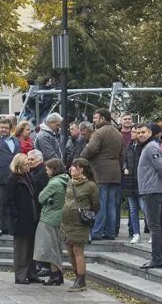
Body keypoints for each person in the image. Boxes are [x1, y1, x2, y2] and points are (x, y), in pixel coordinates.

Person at [81, 109, 124, 241]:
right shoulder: (118, 133)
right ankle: (110, 232)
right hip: (115, 172)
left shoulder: (99, 133)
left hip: (100, 172)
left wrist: (81, 157)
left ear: (103, 118)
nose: (94, 120)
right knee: (111, 204)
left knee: (100, 204)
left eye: (95, 117)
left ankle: (97, 232)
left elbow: (92, 149)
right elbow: (122, 154)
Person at [61, 158, 100, 291]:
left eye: (74, 167)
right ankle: (76, 275)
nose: (71, 169)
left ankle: (81, 280)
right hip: (67, 223)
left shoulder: (90, 185)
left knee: (78, 250)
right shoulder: (69, 182)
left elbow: (96, 205)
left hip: (80, 223)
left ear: (81, 169)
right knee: (70, 251)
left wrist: (87, 215)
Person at [136, 124, 162, 268]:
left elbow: (161, 167)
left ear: (150, 133)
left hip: (152, 190)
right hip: (148, 189)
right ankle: (156, 258)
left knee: (154, 226)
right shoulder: (147, 147)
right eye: (138, 132)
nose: (140, 135)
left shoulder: (151, 147)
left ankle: (157, 259)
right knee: (153, 225)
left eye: (143, 132)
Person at [4, 154, 42, 284]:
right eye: (26, 163)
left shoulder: (28, 177)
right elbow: (10, 201)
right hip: (20, 219)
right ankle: (20, 275)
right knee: (21, 249)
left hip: (31, 216)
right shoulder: (13, 179)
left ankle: (31, 273)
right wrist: (17, 215)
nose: (29, 165)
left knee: (31, 248)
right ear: (19, 165)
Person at [34, 159, 69, 285]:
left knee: (50, 248)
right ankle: (57, 275)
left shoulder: (54, 183)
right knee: (55, 247)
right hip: (59, 216)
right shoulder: (65, 180)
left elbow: (41, 197)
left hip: (50, 218)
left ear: (54, 169)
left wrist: (46, 198)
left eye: (48, 168)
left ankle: (55, 275)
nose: (46, 171)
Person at [123, 127, 142, 244]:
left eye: (134, 132)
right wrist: (124, 167)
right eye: (133, 132)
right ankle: (136, 233)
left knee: (144, 208)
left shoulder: (143, 147)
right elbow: (124, 158)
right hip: (130, 181)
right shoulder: (129, 146)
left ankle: (152, 233)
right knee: (133, 209)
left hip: (140, 181)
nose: (132, 134)